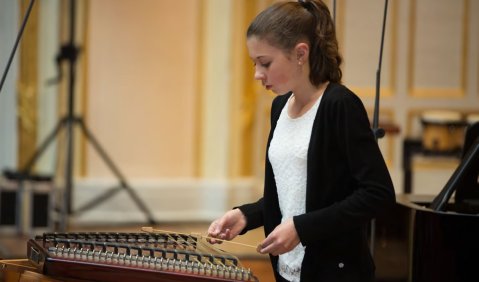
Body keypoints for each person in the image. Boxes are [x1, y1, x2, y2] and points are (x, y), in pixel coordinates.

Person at [207, 1, 395, 281]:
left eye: (265, 63)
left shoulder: (340, 105)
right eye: (254, 63)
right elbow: (291, 197)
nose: (257, 74)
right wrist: (246, 216)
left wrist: (302, 228)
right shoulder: (279, 107)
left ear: (300, 53)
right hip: (288, 270)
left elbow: (378, 195)